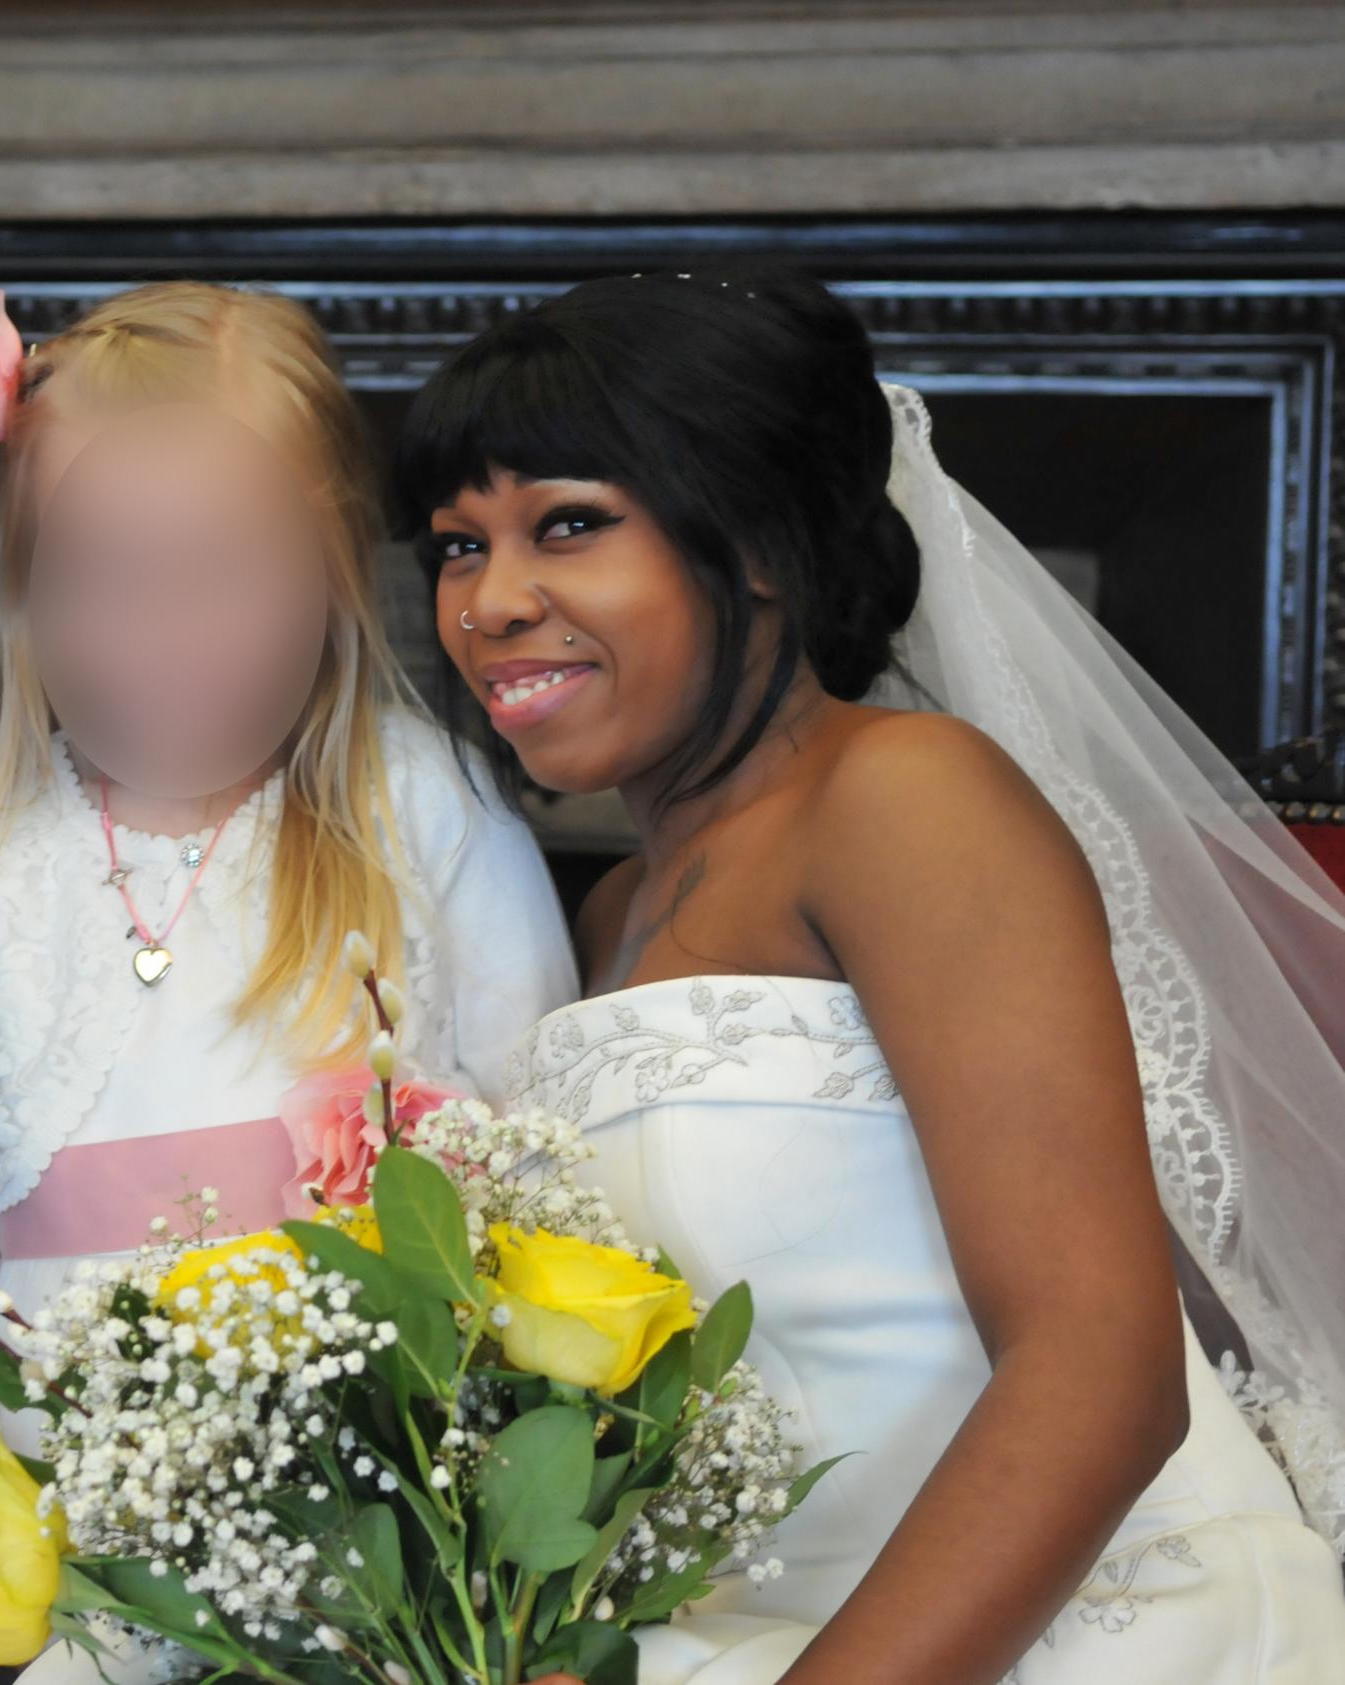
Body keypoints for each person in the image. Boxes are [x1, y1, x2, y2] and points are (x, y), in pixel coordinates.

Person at [393, 267, 1345, 1683]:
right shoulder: (607, 915)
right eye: (458, 546)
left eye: (570, 524)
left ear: (762, 542)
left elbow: (1101, 1363)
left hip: (1077, 1627)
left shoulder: (904, 801)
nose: (488, 603)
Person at [0, 280, 575, 1469]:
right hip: (73, 1519)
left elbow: (547, 1148)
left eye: (222, 571)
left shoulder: (418, 803)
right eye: (99, 575)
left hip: (380, 1500)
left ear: (334, 574)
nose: (163, 634)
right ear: (23, 597)